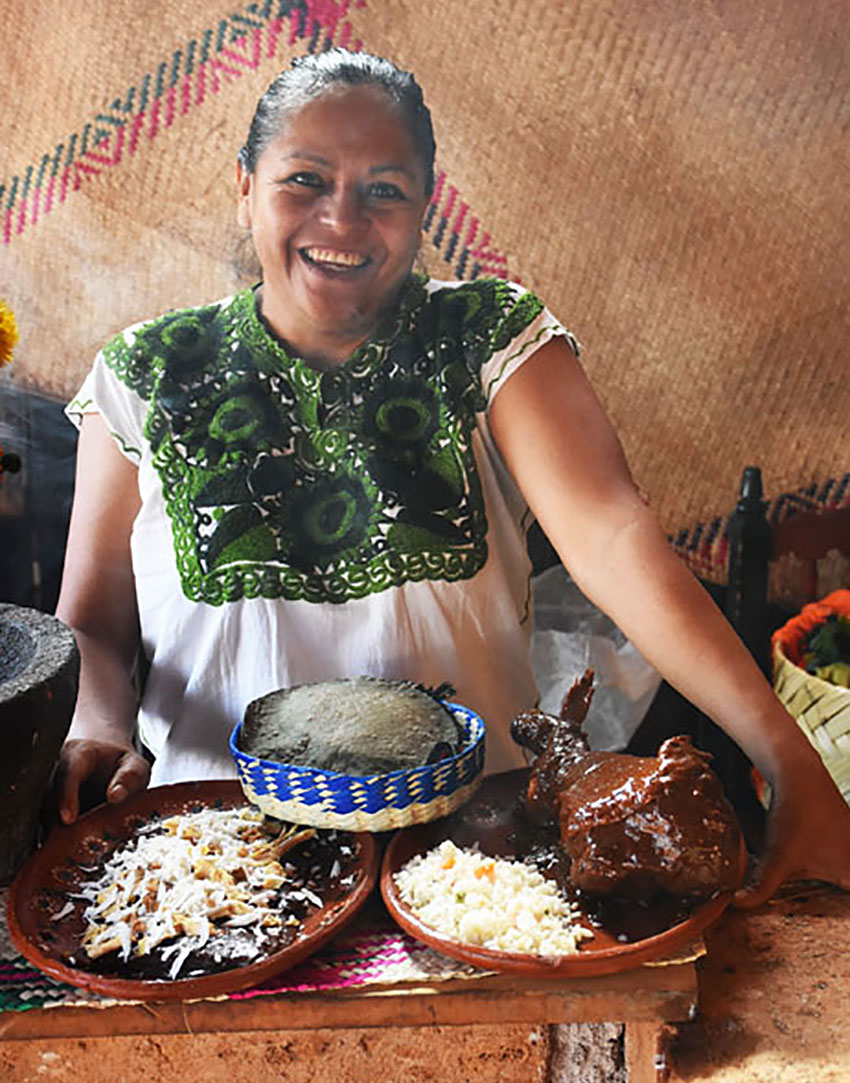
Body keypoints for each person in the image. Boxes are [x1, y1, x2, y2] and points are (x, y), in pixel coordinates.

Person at [55, 47, 850, 908]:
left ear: (425, 205)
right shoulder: (146, 371)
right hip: (210, 865)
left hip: (475, 864)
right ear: (245, 187)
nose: (343, 219)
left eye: (384, 189)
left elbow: (613, 538)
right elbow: (93, 621)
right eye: (305, 180)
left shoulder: (488, 339)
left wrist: (786, 753)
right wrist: (97, 723)